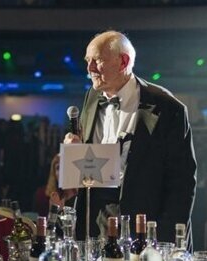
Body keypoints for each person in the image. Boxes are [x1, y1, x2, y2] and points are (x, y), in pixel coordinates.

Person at [63, 30, 197, 246]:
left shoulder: (167, 107)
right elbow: (92, 159)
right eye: (87, 61)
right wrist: (75, 152)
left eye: (97, 61)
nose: (89, 69)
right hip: (97, 219)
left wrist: (165, 241)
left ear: (123, 61)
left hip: (145, 221)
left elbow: (182, 182)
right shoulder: (92, 96)